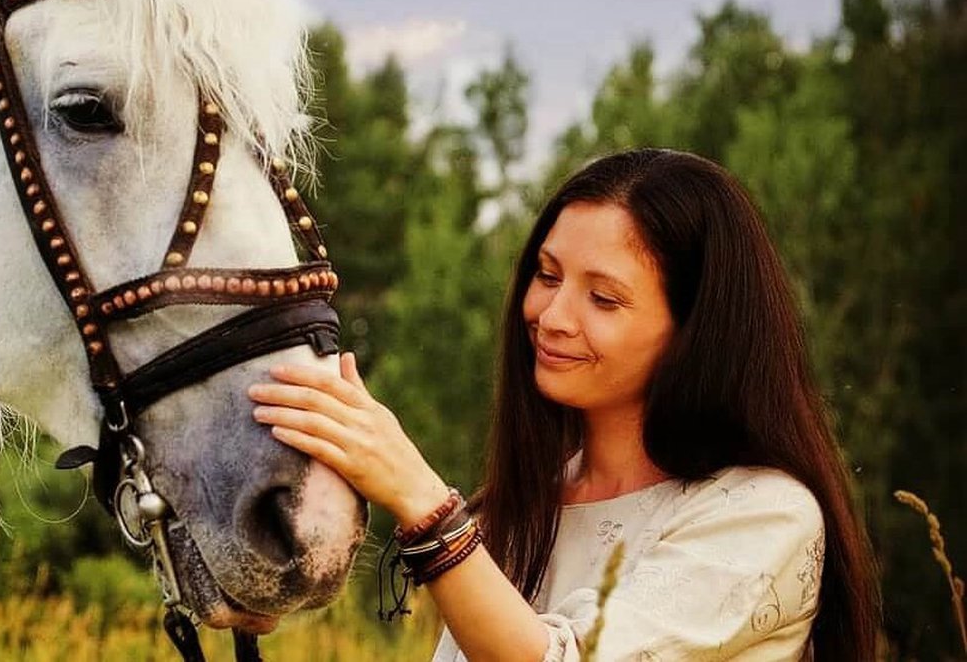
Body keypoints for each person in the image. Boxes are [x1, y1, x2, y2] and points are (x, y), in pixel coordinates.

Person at [249, 148, 880, 661]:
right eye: (548, 276)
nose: (550, 317)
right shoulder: (519, 509)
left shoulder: (763, 514)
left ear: (697, 331)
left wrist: (420, 500)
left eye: (603, 299)